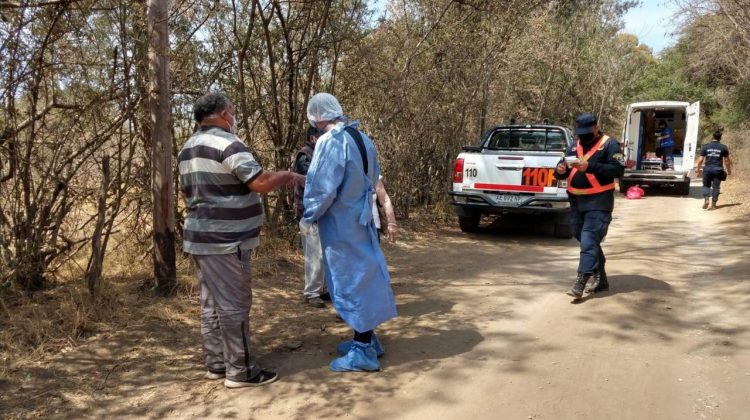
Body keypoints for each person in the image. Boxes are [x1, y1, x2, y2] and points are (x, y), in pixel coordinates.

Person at [178, 92, 305, 388]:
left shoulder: (188, 147)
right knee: (234, 304)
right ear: (223, 114)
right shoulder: (227, 143)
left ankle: (217, 363)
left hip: (200, 238)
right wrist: (288, 175)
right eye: (233, 112)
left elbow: (190, 193)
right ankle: (242, 370)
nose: (234, 118)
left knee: (212, 304)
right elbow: (259, 182)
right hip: (226, 240)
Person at [300, 92, 397, 372]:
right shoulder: (362, 138)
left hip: (342, 222)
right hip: (361, 218)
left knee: (352, 281)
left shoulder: (331, 142)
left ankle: (363, 349)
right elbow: (373, 178)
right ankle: (367, 338)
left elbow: (322, 187)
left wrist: (310, 215)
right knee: (366, 275)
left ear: (316, 116)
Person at [554, 112, 625, 299]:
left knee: (589, 239)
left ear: (596, 127)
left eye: (587, 132)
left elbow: (619, 169)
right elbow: (562, 168)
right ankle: (601, 279)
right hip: (576, 201)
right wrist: (559, 170)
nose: (583, 136)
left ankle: (581, 280)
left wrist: (591, 166)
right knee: (582, 237)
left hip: (599, 201)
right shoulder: (573, 145)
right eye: (580, 132)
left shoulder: (611, 145)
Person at [293, 127, 329, 308]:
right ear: (313, 138)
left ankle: (322, 289)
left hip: (322, 213)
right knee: (314, 255)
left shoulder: (319, 154)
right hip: (308, 214)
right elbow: (312, 181)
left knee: (324, 254)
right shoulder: (304, 156)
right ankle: (311, 293)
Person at [696, 130, 731, 210]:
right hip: (718, 170)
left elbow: (700, 160)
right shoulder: (723, 147)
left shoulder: (706, 146)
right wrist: (729, 170)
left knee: (706, 185)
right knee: (716, 187)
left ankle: (706, 199)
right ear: (720, 138)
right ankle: (713, 205)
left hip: (707, 169)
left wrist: (698, 170)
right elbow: (726, 160)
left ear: (713, 136)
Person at [374, 177, 399, 243]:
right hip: (346, 227)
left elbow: (385, 200)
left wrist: (392, 223)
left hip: (372, 227)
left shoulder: (372, 170)